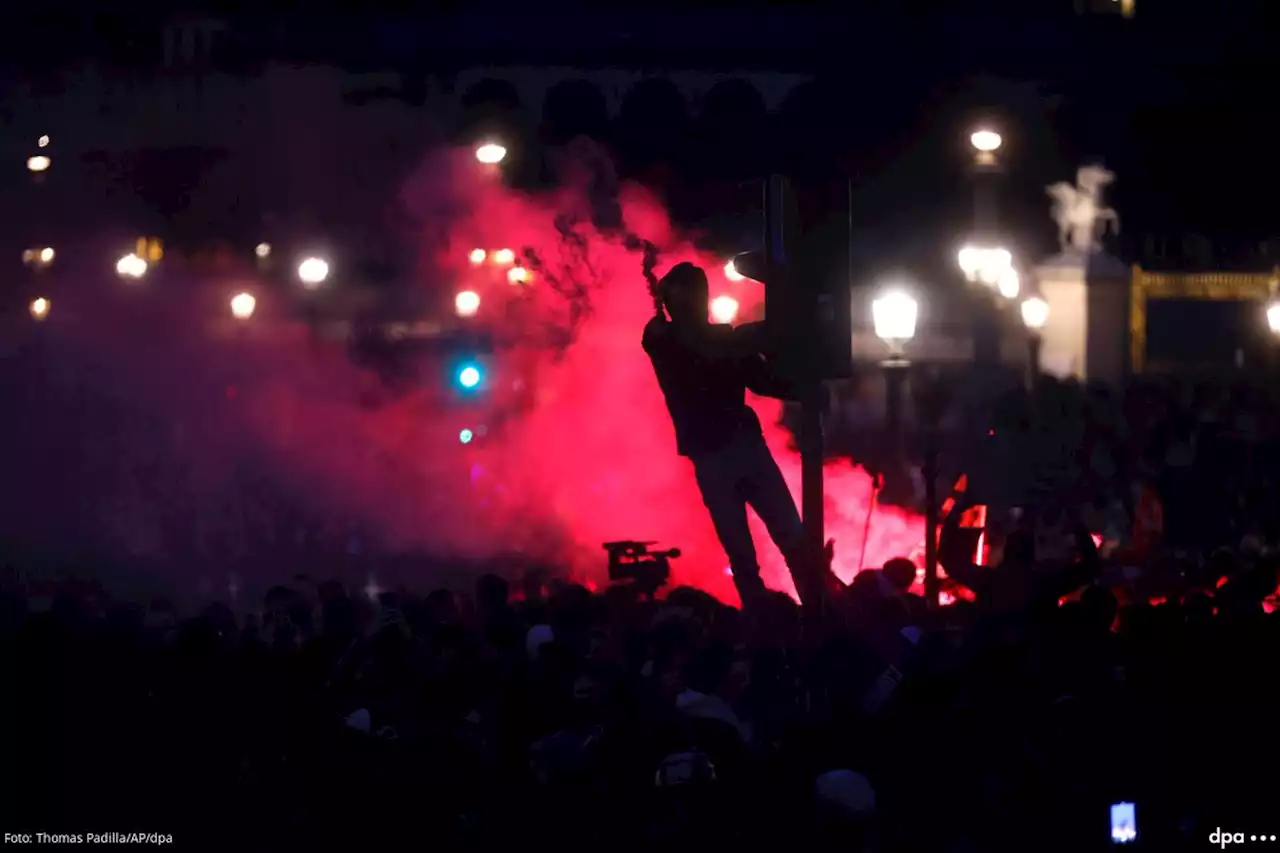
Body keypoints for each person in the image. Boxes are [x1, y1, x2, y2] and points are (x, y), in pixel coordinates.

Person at [642, 262, 827, 608]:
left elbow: (764, 379)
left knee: (778, 543)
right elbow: (726, 354)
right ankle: (790, 614)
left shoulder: (713, 342)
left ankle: (808, 612)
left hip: (730, 452)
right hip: (727, 453)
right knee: (760, 548)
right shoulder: (672, 341)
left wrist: (801, 389)